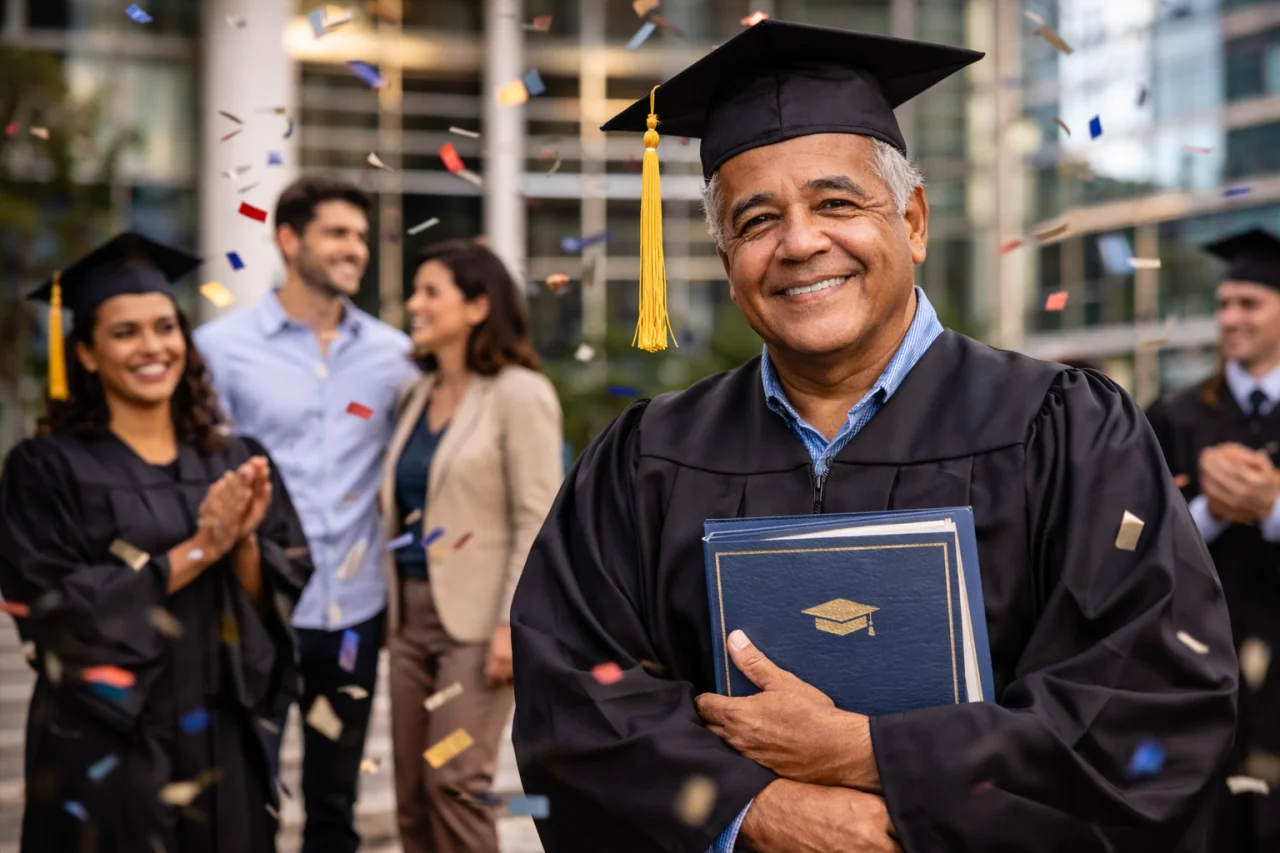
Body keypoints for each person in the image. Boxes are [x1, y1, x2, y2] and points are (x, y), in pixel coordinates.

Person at [510, 19, 1237, 853]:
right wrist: (757, 809)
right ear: (725, 258)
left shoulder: (1064, 430)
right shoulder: (647, 459)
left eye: (836, 202)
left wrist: (877, 758)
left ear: (915, 220)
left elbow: (1148, 694)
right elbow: (576, 689)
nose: (800, 243)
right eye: (755, 221)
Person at [0, 232, 312, 853]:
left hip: (222, 730)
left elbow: (279, 593)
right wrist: (200, 547)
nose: (153, 348)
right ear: (85, 352)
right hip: (106, 736)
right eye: (125, 332)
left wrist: (243, 542)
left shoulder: (236, 457)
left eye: (165, 327)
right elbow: (51, 611)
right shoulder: (45, 469)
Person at [194, 176, 419, 852]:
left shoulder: (396, 354)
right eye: (337, 233)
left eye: (360, 235)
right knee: (244, 792)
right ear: (289, 239)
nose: (355, 248)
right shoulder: (218, 349)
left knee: (334, 801)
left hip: (352, 611)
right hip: (254, 607)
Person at [379, 239, 563, 853]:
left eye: (431, 292)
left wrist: (512, 624)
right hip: (410, 617)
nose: (415, 304)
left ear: (478, 306)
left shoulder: (519, 393)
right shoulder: (414, 397)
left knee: (454, 780)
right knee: (410, 792)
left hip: (479, 624)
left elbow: (536, 515)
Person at [1145, 227, 1280, 853]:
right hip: (1201, 658)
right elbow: (1132, 535)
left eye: (1248, 303)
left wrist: (1273, 506)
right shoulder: (1173, 415)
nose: (1230, 318)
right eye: (1223, 304)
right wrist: (1211, 509)